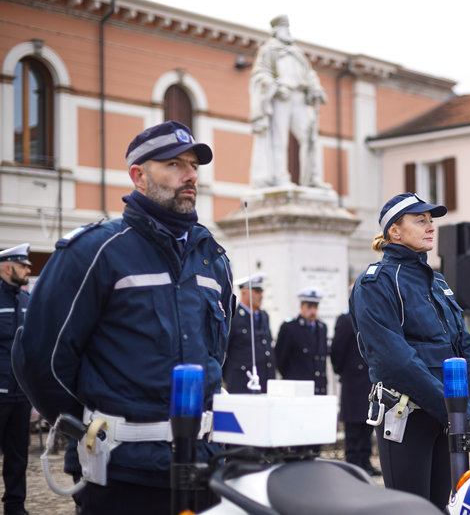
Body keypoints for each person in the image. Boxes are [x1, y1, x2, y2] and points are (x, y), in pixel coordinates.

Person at [11, 121, 234, 515]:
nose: (190, 175)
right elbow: (40, 360)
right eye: (174, 164)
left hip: (203, 466)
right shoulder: (95, 251)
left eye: (194, 166)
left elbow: (216, 354)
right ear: (139, 176)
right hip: (122, 472)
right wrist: (90, 424)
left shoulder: (212, 258)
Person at [349, 192, 470, 509]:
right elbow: (393, 360)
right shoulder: (376, 282)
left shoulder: (436, 281)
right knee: (411, 508)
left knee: (445, 506)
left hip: (450, 414)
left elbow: (466, 343)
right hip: (409, 414)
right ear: (394, 231)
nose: (430, 227)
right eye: (420, 220)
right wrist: (453, 410)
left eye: (431, 220)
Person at [249, 14, 328, 188]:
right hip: (280, 97)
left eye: (288, 28)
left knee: (309, 136)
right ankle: (280, 178)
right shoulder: (269, 50)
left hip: (299, 98)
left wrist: (316, 88)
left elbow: (309, 74)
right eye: (283, 28)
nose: (287, 32)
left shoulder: (297, 53)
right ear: (276, 31)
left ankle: (312, 179)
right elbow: (260, 74)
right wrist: (276, 87)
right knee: (279, 139)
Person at [0, 244, 32, 515]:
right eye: (23, 266)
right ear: (7, 268)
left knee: (18, 457)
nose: (28, 270)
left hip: (20, 395)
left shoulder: (27, 301)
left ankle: (15, 507)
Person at [330, 307, 381, 477]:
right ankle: (354, 465)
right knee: (353, 427)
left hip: (368, 380)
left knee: (367, 425)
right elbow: (337, 351)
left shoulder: (372, 316)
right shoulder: (346, 320)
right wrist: (345, 371)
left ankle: (365, 462)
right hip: (353, 381)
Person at [224, 273, 276, 393]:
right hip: (242, 383)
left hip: (264, 382)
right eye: (257, 292)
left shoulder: (263, 316)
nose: (261, 296)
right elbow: (224, 352)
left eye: (261, 292)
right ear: (244, 293)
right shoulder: (233, 317)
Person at [275, 288, 328, 395]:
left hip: (318, 387)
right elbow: (280, 358)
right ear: (301, 307)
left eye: (315, 307)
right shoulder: (290, 328)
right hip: (297, 387)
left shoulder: (322, 328)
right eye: (309, 307)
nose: (313, 311)